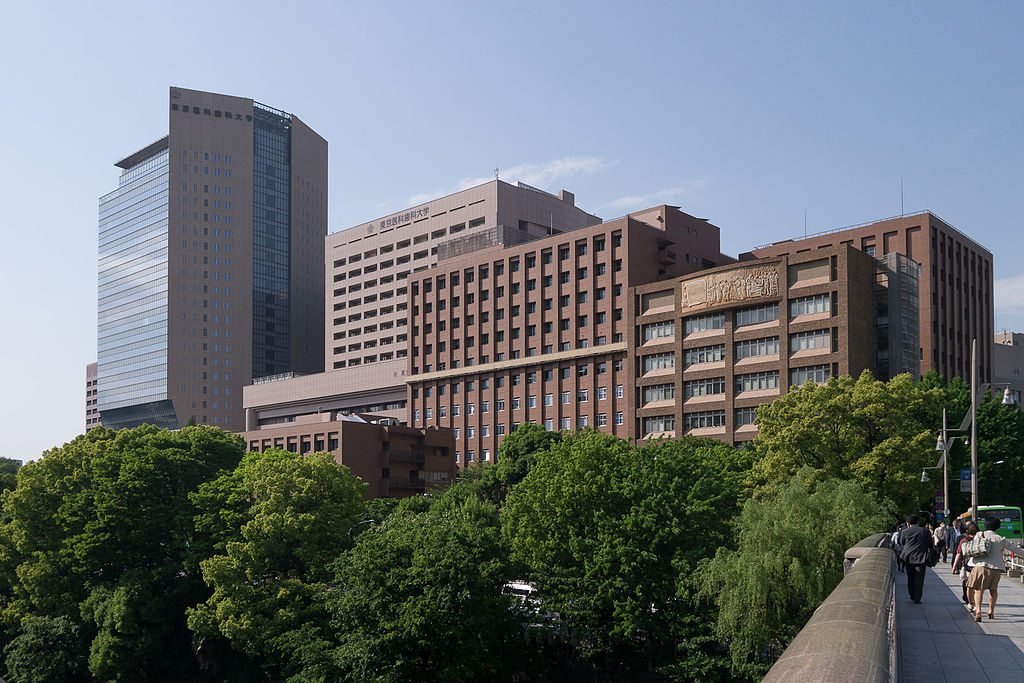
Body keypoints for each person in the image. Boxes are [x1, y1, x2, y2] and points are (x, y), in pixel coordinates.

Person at [967, 516, 1024, 621]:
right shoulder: (1000, 539)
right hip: (995, 568)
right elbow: (1015, 549)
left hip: (979, 566)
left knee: (979, 590)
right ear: (997, 527)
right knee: (993, 590)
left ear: (985, 525)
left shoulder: (979, 535)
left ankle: (978, 610)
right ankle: (991, 611)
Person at [900, 514, 934, 604]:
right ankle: (917, 598)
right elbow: (931, 544)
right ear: (918, 522)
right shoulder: (925, 531)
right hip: (921, 558)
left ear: (908, 523)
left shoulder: (905, 531)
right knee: (919, 579)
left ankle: (911, 594)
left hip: (908, 557)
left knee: (910, 577)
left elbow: (902, 542)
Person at [952, 521, 978, 605]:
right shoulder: (980, 540)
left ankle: (968, 600)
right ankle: (973, 600)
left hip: (966, 565)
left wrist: (954, 566)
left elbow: (958, 554)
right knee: (976, 585)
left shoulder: (963, 540)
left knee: (967, 583)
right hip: (978, 566)